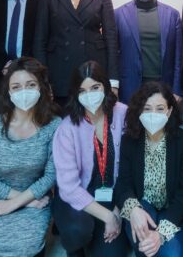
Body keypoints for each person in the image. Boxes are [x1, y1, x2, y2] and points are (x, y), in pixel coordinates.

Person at [0, 57, 63, 257]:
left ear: (41, 88)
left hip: (36, 198)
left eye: (30, 85)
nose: (23, 91)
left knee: (25, 248)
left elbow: (50, 176)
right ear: (8, 92)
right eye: (16, 87)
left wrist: (15, 204)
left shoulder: (54, 125)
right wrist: (21, 200)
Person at [52, 61, 129, 257]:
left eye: (95, 87)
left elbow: (133, 167)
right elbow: (69, 187)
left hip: (114, 196)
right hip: (78, 197)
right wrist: (108, 217)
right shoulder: (67, 128)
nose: (90, 95)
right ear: (75, 94)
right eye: (82, 91)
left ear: (105, 86)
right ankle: (75, 249)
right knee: (77, 231)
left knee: (112, 253)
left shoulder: (123, 114)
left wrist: (119, 209)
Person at [34, 0, 119, 106]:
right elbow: (40, 41)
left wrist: (113, 81)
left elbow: (111, 40)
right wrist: (42, 80)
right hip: (59, 74)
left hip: (93, 73)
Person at [116, 81, 183, 257]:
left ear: (170, 111)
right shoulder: (129, 140)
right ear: (139, 111)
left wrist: (160, 234)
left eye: (160, 109)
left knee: (170, 254)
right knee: (145, 246)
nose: (153, 114)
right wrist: (133, 210)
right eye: (147, 109)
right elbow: (123, 183)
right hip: (142, 205)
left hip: (174, 209)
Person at [114, 0, 182, 104]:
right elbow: (113, 55)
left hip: (163, 86)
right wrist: (114, 86)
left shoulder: (172, 15)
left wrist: (177, 89)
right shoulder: (118, 15)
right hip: (130, 86)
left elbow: (178, 58)